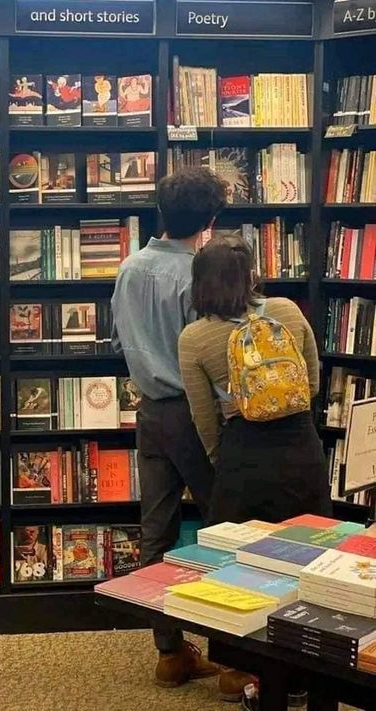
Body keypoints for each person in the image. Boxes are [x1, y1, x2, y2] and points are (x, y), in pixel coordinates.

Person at [111, 168, 254, 698]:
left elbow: (117, 339)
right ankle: (236, 664)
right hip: (199, 416)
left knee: (157, 532)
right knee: (232, 531)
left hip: (150, 413)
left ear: (162, 212)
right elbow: (216, 350)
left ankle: (169, 654)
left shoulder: (128, 269)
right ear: (211, 223)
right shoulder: (198, 276)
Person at [178, 233, 332, 526]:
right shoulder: (287, 309)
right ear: (251, 276)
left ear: (200, 283)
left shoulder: (193, 338)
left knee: (238, 560)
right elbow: (312, 383)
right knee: (312, 545)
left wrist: (221, 459)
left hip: (243, 453)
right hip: (301, 444)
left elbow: (204, 418)